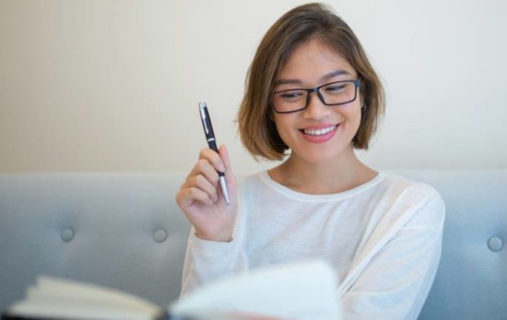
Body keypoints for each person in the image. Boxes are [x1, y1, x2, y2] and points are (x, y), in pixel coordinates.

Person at [176, 3, 445, 319]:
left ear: (364, 94)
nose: (316, 111)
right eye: (290, 94)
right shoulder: (225, 203)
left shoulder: (409, 206)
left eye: (335, 87)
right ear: (268, 108)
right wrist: (215, 238)